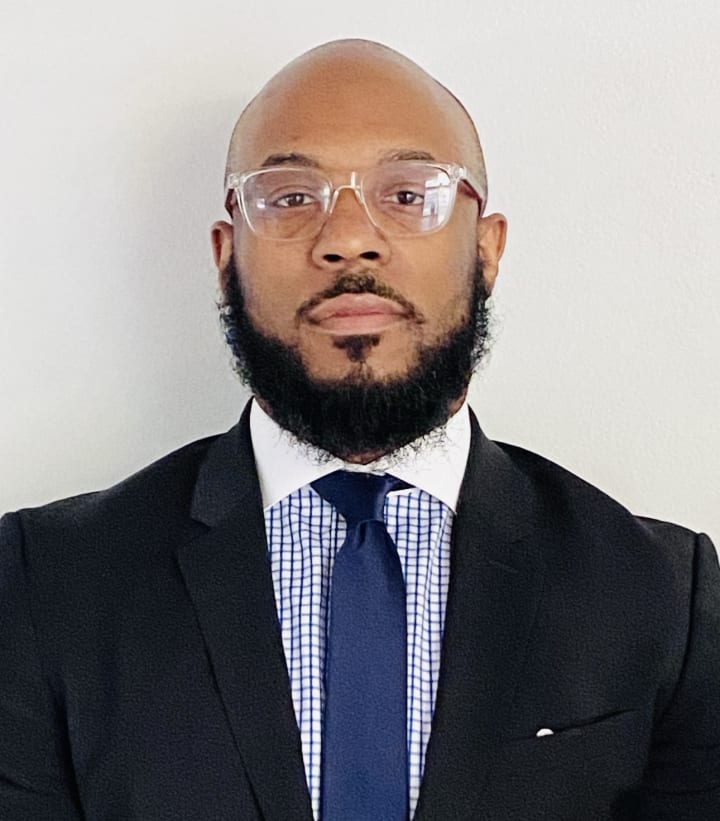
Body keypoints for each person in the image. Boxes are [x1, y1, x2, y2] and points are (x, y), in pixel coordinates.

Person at [1, 38, 718, 821]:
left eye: (408, 193)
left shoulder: (661, 594)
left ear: (487, 249)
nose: (348, 236)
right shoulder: (46, 585)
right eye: (290, 197)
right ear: (226, 256)